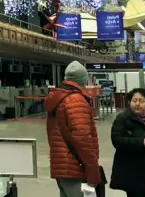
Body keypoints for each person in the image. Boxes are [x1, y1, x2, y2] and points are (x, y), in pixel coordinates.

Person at [45, 61, 101, 197]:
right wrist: (93, 170)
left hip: (62, 165)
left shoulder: (58, 98)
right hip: (75, 166)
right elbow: (82, 138)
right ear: (84, 79)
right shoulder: (76, 100)